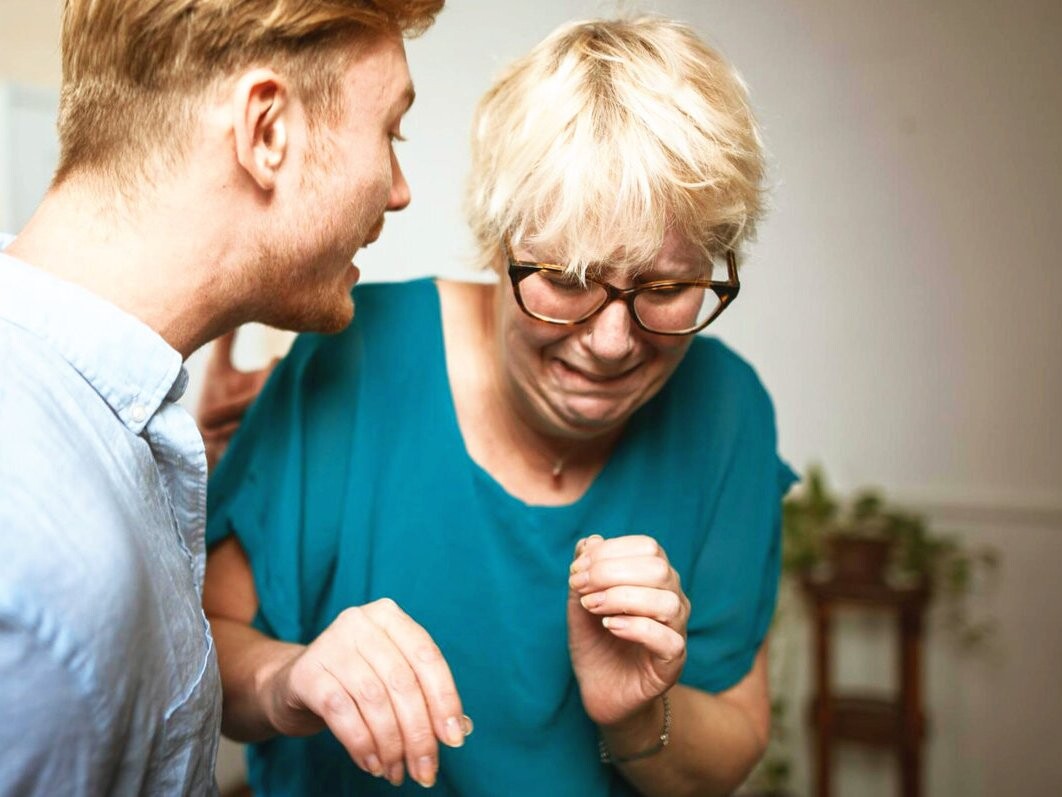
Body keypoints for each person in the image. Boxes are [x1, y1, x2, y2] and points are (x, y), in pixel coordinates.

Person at [202, 16, 795, 797]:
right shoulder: (353, 353)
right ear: (497, 240)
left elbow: (729, 751)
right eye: (569, 278)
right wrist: (290, 676)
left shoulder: (726, 413)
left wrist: (635, 713)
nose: (612, 340)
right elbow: (209, 650)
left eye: (665, 289)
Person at [0, 1, 449, 794]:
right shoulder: (44, 565)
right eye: (391, 134)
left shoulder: (103, 419)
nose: (401, 189)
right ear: (267, 130)